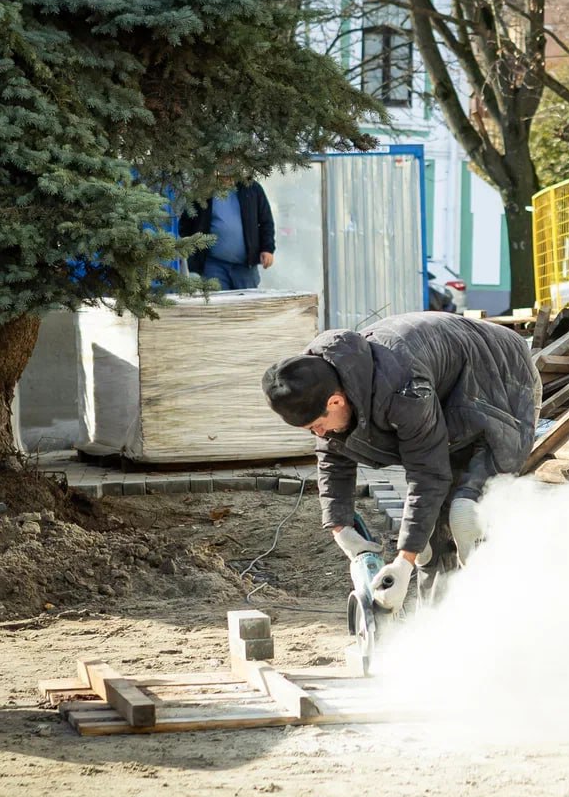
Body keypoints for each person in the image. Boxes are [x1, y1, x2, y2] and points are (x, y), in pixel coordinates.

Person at [261, 312, 542, 611]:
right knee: (426, 543)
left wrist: (403, 563)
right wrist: (341, 527)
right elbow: (333, 456)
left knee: (464, 514)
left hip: (503, 375)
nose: (319, 433)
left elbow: (427, 474)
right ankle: (436, 622)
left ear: (336, 401)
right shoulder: (321, 382)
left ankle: (499, 612)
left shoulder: (402, 388)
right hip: (448, 387)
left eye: (317, 424)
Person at [178, 180, 276, 290]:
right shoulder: (204, 190)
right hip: (213, 264)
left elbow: (266, 221)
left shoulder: (252, 188)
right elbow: (186, 222)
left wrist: (267, 249)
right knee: (217, 304)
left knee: (247, 305)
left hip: (245, 266)